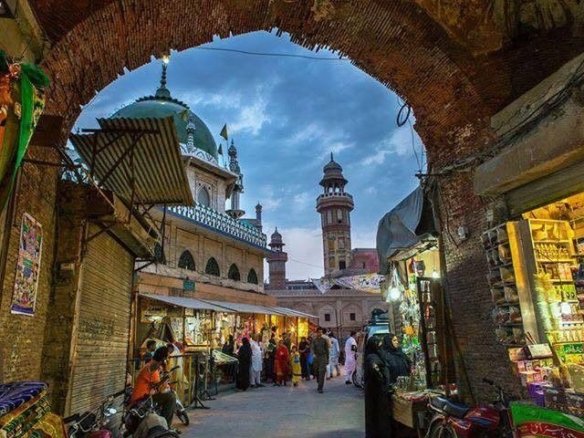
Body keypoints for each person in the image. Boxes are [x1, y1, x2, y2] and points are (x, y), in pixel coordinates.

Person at [131, 346, 176, 427]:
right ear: (163, 358)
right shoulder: (153, 367)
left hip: (145, 396)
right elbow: (160, 389)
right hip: (142, 398)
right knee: (171, 397)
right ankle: (165, 426)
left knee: (168, 395)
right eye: (167, 357)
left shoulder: (151, 364)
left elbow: (156, 385)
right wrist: (165, 383)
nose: (167, 359)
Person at [364, 336, 392, 438]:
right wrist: (382, 380)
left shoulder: (378, 355)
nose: (381, 346)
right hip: (376, 391)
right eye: (378, 344)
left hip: (378, 390)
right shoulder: (372, 357)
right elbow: (375, 369)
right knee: (378, 415)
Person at [311, 327, 329, 393]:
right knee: (316, 371)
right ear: (317, 333)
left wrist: (327, 360)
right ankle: (318, 379)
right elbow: (312, 348)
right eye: (319, 332)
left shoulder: (324, 340)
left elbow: (327, 350)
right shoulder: (314, 340)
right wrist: (313, 354)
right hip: (316, 357)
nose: (320, 333)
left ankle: (320, 388)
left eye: (321, 332)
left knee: (322, 372)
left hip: (323, 357)